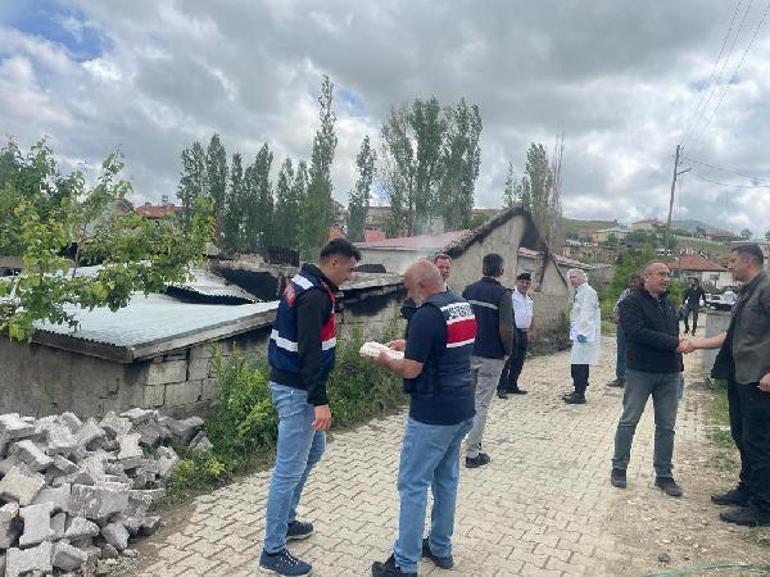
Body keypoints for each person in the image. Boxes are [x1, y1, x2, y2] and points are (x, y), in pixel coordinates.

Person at [369, 260, 477, 577]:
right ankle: (440, 547)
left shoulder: (426, 315)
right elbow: (451, 347)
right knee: (446, 480)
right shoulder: (461, 305)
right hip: (461, 409)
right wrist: (410, 344)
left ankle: (404, 564)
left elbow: (412, 369)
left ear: (420, 287)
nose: (408, 294)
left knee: (413, 484)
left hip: (432, 413)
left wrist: (386, 359)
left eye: (408, 288)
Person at [259, 238, 360, 577]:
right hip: (297, 390)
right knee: (286, 471)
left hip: (293, 384)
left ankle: (286, 520)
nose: (351, 274)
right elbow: (309, 352)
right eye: (349, 268)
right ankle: (272, 550)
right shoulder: (314, 295)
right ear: (333, 263)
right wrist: (319, 400)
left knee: (315, 450)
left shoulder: (305, 281)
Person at [682, 244, 770, 526]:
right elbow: (731, 335)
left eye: (732, 261)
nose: (728, 266)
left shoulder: (766, 289)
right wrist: (696, 344)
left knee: (759, 442)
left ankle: (763, 506)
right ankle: (747, 490)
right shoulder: (747, 291)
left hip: (759, 378)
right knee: (742, 435)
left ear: (747, 260)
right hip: (740, 374)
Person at [610, 261, 687, 497]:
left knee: (666, 426)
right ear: (647, 277)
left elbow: (673, 333)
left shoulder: (668, 304)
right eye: (661, 274)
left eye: (668, 275)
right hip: (641, 372)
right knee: (629, 420)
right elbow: (636, 333)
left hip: (669, 374)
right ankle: (619, 468)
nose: (666, 279)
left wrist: (679, 367)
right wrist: (676, 344)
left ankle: (664, 475)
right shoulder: (630, 302)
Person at [462, 253, 514, 467]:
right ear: (501, 271)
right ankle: (473, 453)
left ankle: (467, 441)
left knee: (468, 402)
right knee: (481, 404)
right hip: (492, 356)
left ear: (483, 269)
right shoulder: (503, 295)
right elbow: (506, 327)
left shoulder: (469, 290)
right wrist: (508, 350)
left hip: (468, 353)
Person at [563, 269, 601, 404]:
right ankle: (577, 390)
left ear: (582, 278)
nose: (572, 280)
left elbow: (587, 314)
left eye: (574, 277)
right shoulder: (580, 292)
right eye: (570, 278)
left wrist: (582, 333)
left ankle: (580, 394)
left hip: (583, 335)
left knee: (580, 364)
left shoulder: (588, 292)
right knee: (576, 363)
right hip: (578, 333)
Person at [498, 272, 534, 398]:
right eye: (522, 282)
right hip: (512, 331)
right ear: (517, 282)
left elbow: (531, 316)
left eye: (527, 283)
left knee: (519, 360)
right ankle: (501, 387)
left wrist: (530, 330)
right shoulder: (510, 295)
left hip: (524, 332)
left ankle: (512, 385)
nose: (525, 284)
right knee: (508, 360)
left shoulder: (529, 299)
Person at [607, 274, 643, 388]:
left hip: (637, 328)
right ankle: (621, 378)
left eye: (635, 282)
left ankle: (635, 379)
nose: (632, 285)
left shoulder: (643, 295)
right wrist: (616, 316)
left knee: (636, 352)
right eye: (631, 282)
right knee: (621, 352)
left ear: (640, 283)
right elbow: (617, 308)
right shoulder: (625, 293)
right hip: (623, 326)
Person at [400, 254, 452, 326]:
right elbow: (407, 309)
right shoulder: (419, 288)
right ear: (433, 269)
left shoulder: (450, 292)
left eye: (447, 268)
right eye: (441, 267)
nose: (444, 270)